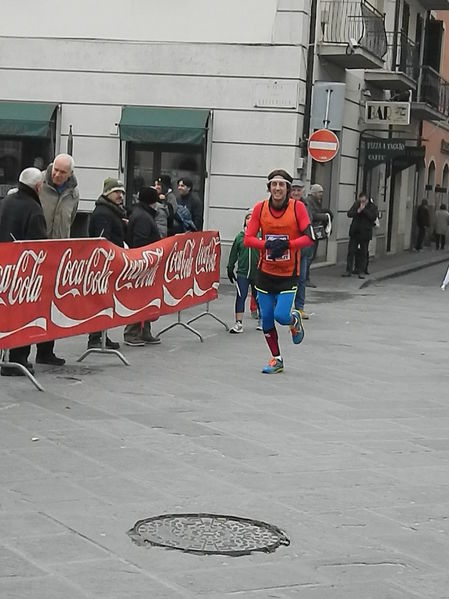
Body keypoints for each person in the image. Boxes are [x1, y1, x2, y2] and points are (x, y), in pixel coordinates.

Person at [244, 169, 314, 374]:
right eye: (274, 184)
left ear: (288, 189)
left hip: (288, 274)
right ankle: (277, 359)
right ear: (269, 188)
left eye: (281, 185)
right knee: (266, 318)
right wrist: (267, 245)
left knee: (281, 315)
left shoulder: (297, 208)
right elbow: (248, 238)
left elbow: (309, 238)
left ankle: (294, 320)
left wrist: (287, 245)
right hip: (265, 273)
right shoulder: (260, 208)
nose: (277, 188)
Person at [0, 168, 47, 376]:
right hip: (24, 273)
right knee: (23, 313)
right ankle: (18, 358)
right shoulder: (34, 208)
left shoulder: (6, 201)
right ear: (38, 186)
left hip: (4, 265)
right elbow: (39, 244)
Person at [35, 153, 79, 365]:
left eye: (63, 172)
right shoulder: (39, 184)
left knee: (51, 304)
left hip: (59, 253)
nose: (58, 174)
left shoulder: (74, 193)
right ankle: (18, 351)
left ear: (70, 173)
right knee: (29, 303)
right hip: (35, 252)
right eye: (56, 170)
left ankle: (46, 351)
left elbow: (72, 218)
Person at [87, 178, 127, 349]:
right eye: (116, 192)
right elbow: (103, 241)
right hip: (104, 265)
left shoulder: (114, 211)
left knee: (107, 300)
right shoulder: (104, 213)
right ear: (107, 193)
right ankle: (96, 338)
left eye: (122, 192)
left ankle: (102, 335)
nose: (120, 195)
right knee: (101, 301)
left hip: (112, 262)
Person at [123, 186, 162, 346]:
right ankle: (132, 332)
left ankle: (144, 330)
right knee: (139, 299)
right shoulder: (143, 218)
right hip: (144, 264)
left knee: (147, 298)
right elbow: (140, 241)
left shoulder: (142, 214)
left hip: (146, 263)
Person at [227, 210, 260, 333]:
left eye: (252, 217)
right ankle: (238, 323)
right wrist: (230, 268)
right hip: (242, 273)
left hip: (258, 273)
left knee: (259, 297)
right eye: (248, 217)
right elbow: (233, 254)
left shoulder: (260, 236)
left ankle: (262, 320)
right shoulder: (240, 237)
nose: (250, 220)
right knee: (241, 296)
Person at [343, 192, 378, 279]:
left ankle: (362, 271)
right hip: (355, 232)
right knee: (351, 252)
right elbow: (349, 214)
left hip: (365, 233)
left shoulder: (372, 207)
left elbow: (373, 217)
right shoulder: (356, 204)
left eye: (364, 201)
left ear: (367, 200)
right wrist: (358, 211)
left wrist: (364, 210)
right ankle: (348, 270)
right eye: (360, 201)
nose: (362, 203)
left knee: (364, 252)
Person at [291, 179, 313, 320]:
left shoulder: (306, 205)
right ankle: (281, 306)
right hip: (289, 248)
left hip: (303, 249)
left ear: (302, 191)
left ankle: (300, 308)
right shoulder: (286, 205)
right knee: (285, 279)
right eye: (293, 190)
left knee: (301, 279)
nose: (296, 192)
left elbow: (310, 223)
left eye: (298, 190)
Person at [304, 183, 333, 287]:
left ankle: (306, 278)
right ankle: (305, 278)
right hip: (312, 232)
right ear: (314, 193)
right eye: (320, 192)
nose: (321, 194)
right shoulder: (309, 202)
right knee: (309, 256)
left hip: (315, 232)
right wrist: (325, 216)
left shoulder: (316, 201)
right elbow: (312, 215)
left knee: (311, 256)